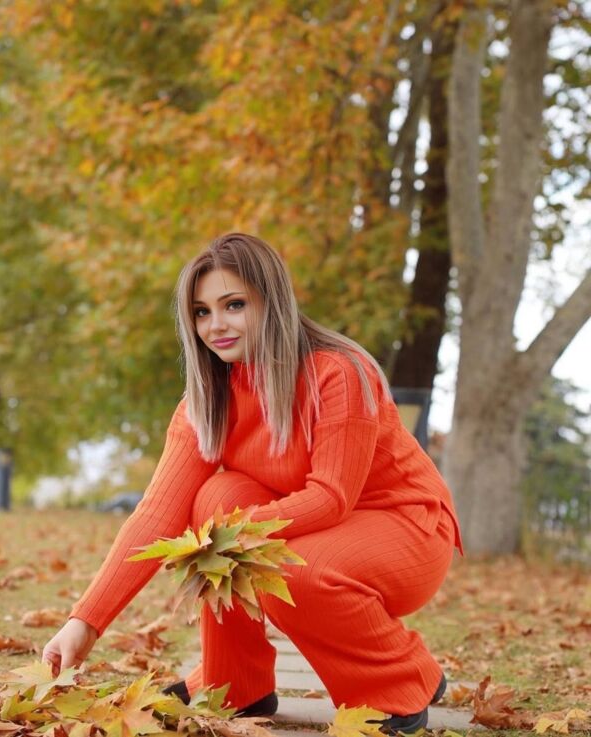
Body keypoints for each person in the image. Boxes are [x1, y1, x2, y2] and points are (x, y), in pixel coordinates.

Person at [42, 233, 463, 735]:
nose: (215, 325)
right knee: (215, 498)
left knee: (291, 568)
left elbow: (330, 498)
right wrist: (85, 622)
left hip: (406, 527)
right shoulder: (207, 401)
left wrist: (228, 538)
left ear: (271, 301)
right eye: (201, 312)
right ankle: (234, 682)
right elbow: (156, 514)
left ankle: (399, 680)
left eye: (234, 305)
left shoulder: (337, 373)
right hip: (314, 526)